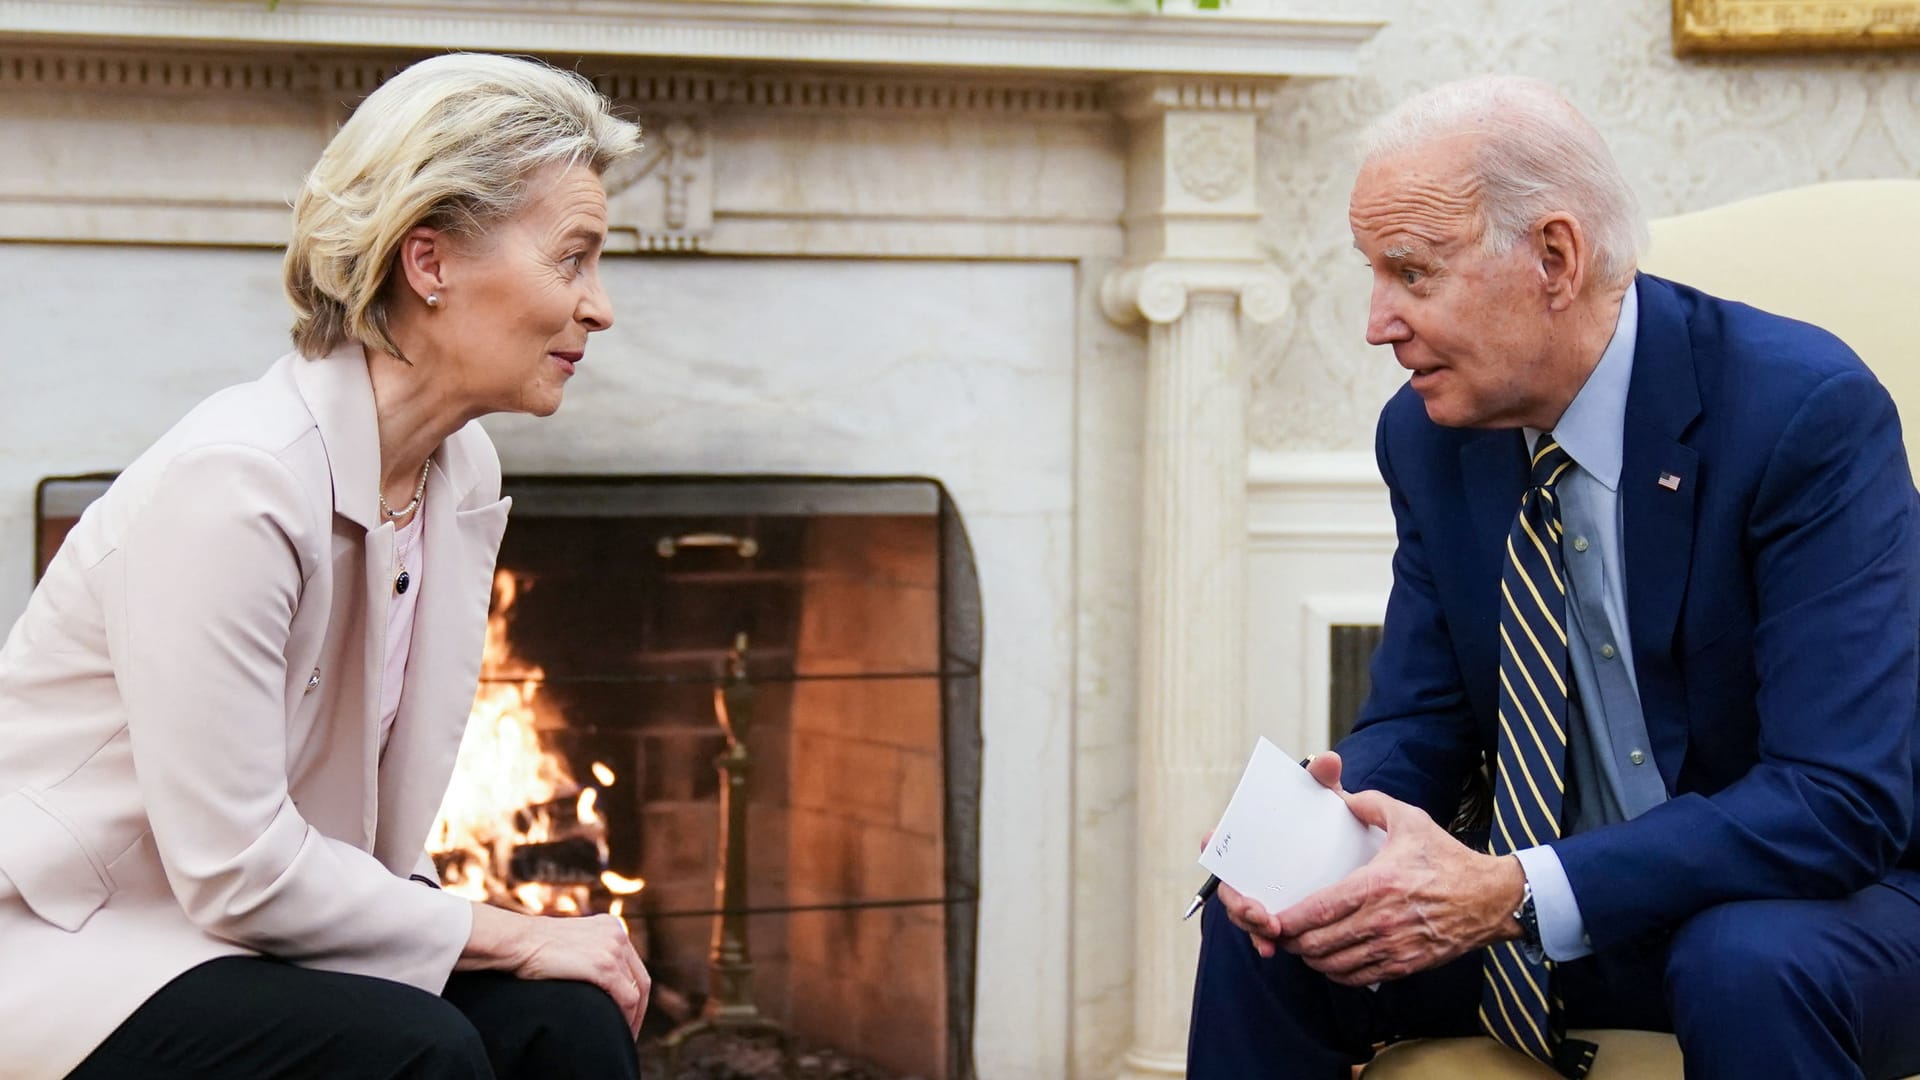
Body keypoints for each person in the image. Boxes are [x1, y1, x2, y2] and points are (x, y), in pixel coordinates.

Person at [1188, 75, 1920, 1080]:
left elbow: (1840, 801)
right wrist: (1321, 837)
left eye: (1411, 273)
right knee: (1271, 929)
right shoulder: (1431, 434)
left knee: (1743, 960)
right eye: (1374, 275)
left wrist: (1519, 890)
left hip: (1817, 903)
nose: (1376, 322)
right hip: (1551, 903)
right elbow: (1420, 721)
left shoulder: (1803, 414)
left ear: (1555, 259)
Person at [0, 53, 651, 1079]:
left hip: (253, 936)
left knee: (565, 1023)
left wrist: (512, 944)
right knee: (414, 1051)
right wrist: (514, 928)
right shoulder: (235, 482)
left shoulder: (454, 469)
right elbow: (235, 870)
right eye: (573, 258)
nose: (599, 306)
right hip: (84, 950)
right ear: (427, 262)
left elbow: (371, 842)